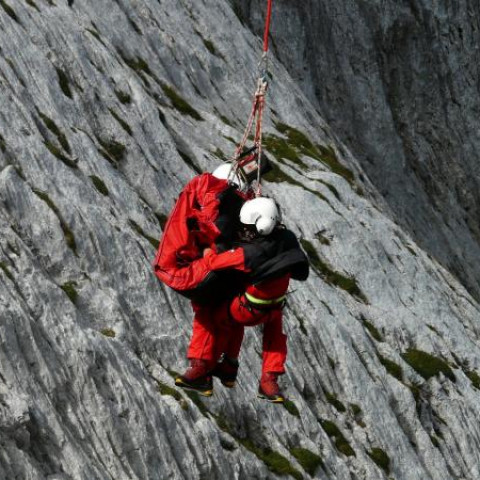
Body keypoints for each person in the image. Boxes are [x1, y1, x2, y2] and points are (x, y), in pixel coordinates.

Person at [175, 197, 309, 402]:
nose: (245, 231)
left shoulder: (250, 253)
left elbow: (214, 263)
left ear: (260, 226)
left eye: (248, 228)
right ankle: (267, 380)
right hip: (274, 307)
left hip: (247, 310)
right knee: (274, 336)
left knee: (209, 313)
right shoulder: (287, 238)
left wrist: (208, 249)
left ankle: (201, 368)